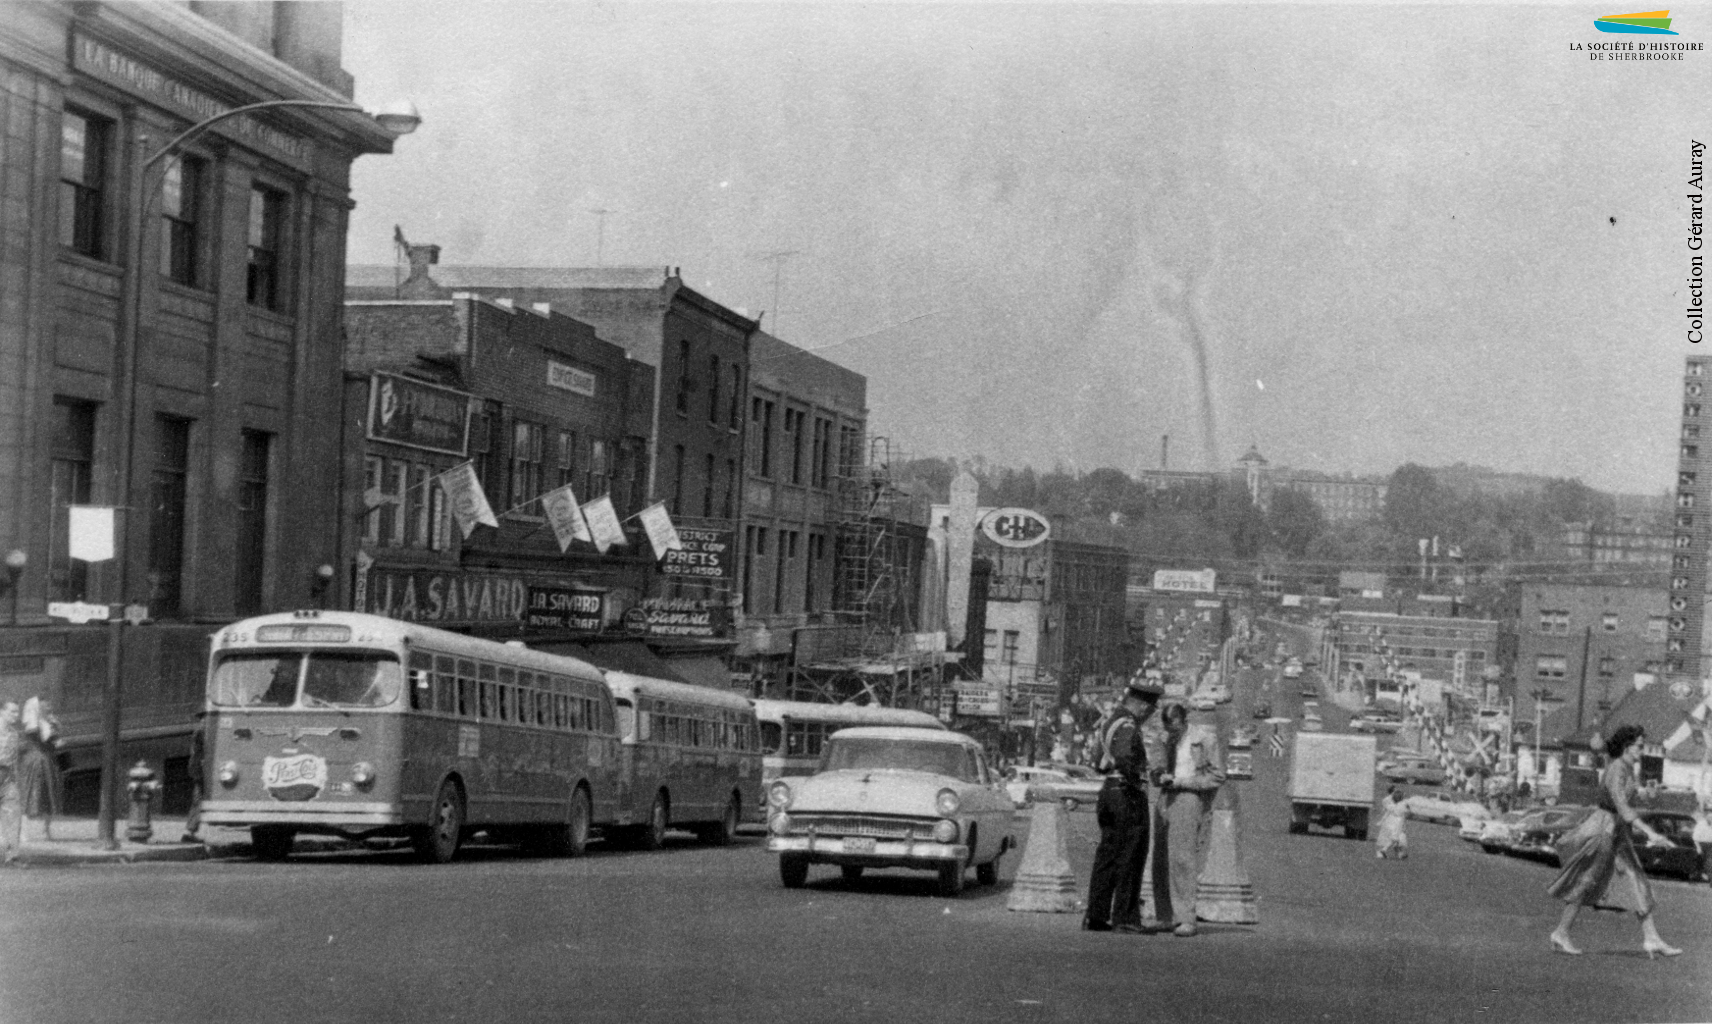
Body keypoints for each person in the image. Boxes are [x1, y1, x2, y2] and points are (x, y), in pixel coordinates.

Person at [1546, 725, 1682, 958]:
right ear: (1626, 747)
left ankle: (1651, 938)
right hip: (1604, 828)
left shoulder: (1628, 769)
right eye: (1639, 746)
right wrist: (1650, 832)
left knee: (1635, 877)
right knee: (1588, 878)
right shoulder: (1617, 769)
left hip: (1618, 830)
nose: (1643, 750)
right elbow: (1620, 804)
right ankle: (1561, 932)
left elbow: (1628, 801)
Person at [1083, 678, 1163, 934]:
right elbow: (1126, 756)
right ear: (1141, 706)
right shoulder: (1128, 724)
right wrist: (1135, 777)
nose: (1149, 716)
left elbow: (1097, 760)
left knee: (1107, 856)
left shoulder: (1109, 721)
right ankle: (1125, 917)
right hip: (1126, 794)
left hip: (1108, 791)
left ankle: (1096, 915)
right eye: (1149, 711)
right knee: (1131, 855)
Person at [1149, 702, 1226, 937]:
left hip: (1188, 796)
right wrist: (1159, 774)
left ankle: (1186, 917)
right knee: (1160, 858)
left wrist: (1183, 782)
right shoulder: (1163, 739)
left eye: (1174, 727)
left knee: (1182, 858)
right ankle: (1165, 916)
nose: (1171, 732)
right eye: (1167, 727)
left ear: (1184, 721)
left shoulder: (1204, 739)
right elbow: (1155, 766)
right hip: (1165, 796)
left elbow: (1217, 776)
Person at [17, 696, 62, 841]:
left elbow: (53, 740)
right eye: (45, 704)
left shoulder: (50, 722)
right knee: (29, 794)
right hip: (34, 762)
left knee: (48, 795)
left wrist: (55, 736)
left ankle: (46, 831)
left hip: (47, 761)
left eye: (49, 704)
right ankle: (24, 831)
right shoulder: (33, 724)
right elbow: (39, 738)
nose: (49, 707)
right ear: (38, 707)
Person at [0, 700, 22, 865]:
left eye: (17, 712)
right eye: (12, 712)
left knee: (13, 813)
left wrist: (14, 777)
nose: (16, 715)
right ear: (2, 712)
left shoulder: (14, 734)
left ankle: (11, 855)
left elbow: (14, 759)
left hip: (7, 776)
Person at [183, 710, 208, 843]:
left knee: (198, 798)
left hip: (197, 767)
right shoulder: (203, 730)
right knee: (198, 799)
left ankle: (190, 830)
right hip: (200, 767)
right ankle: (190, 830)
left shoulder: (200, 729)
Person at [1375, 785, 1409, 860]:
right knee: (1396, 839)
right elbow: (1404, 816)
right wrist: (1404, 827)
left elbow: (1386, 813)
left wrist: (1381, 822)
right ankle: (1383, 850)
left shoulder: (1391, 806)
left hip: (1390, 823)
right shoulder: (1401, 807)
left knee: (1396, 840)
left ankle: (1399, 855)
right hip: (1397, 825)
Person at [1692, 805, 1712, 885]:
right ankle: (1695, 877)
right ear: (1706, 817)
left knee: (1709, 862)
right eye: (1710, 818)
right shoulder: (1701, 824)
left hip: (1710, 845)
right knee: (1699, 862)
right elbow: (1695, 837)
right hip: (1701, 844)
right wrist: (1698, 847)